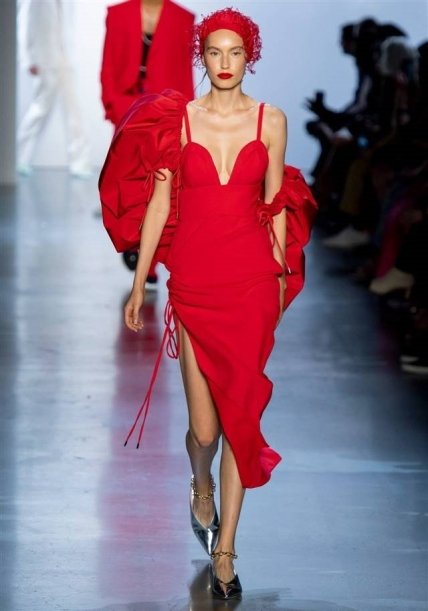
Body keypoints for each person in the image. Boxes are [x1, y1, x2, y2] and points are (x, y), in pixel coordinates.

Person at [99, 7, 316, 600]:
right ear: (202, 56)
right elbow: (159, 206)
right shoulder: (180, 120)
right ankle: (201, 484)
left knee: (240, 416)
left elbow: (275, 206)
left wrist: (279, 280)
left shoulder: (271, 120)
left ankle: (226, 551)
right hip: (195, 281)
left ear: (250, 57)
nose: (225, 63)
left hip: (251, 283)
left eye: (235, 53)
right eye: (214, 52)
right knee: (204, 428)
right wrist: (140, 282)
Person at [100, 0, 195, 284]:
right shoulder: (118, 14)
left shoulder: (183, 19)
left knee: (160, 184)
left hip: (164, 108)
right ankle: (132, 240)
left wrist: (186, 113)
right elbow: (108, 64)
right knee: (127, 182)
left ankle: (149, 261)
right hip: (127, 107)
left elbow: (184, 71)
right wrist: (113, 105)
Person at [17, 0, 92, 177]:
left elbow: (68, 26)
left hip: (66, 60)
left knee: (74, 113)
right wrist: (28, 59)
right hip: (45, 60)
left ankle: (80, 164)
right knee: (39, 109)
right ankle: (19, 158)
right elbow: (24, 24)